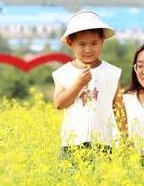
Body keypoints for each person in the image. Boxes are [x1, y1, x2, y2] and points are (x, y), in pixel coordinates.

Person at [52, 10, 123, 158]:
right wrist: (78, 84)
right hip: (71, 144)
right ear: (71, 43)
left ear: (103, 41)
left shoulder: (112, 73)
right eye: (82, 44)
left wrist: (126, 140)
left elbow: (119, 109)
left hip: (103, 144)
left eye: (94, 43)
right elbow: (59, 103)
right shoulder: (63, 72)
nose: (88, 50)